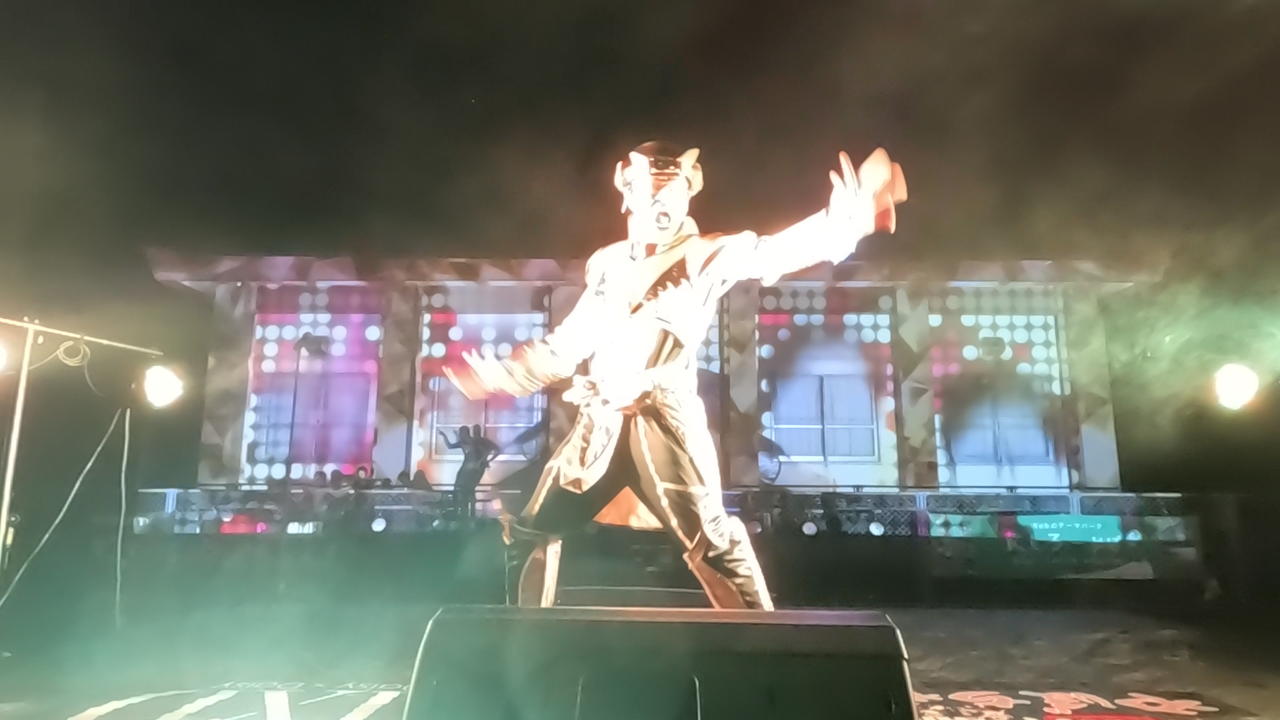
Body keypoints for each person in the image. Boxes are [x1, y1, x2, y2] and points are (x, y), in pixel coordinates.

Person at [446, 141, 906, 610]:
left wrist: (846, 221)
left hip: (664, 423)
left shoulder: (703, 255)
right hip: (600, 428)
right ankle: (523, 636)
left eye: (674, 191)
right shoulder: (608, 265)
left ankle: (766, 643)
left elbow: (771, 253)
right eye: (653, 190)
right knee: (532, 529)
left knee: (712, 540)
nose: (663, 202)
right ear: (628, 193)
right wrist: (504, 375)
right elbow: (568, 345)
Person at [439, 425, 499, 520]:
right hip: (469, 468)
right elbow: (451, 446)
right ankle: (466, 511)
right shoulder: (468, 441)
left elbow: (487, 451)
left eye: (461, 433)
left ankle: (466, 511)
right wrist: (444, 435)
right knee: (466, 489)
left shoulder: (475, 442)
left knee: (466, 488)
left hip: (471, 469)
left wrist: (484, 460)